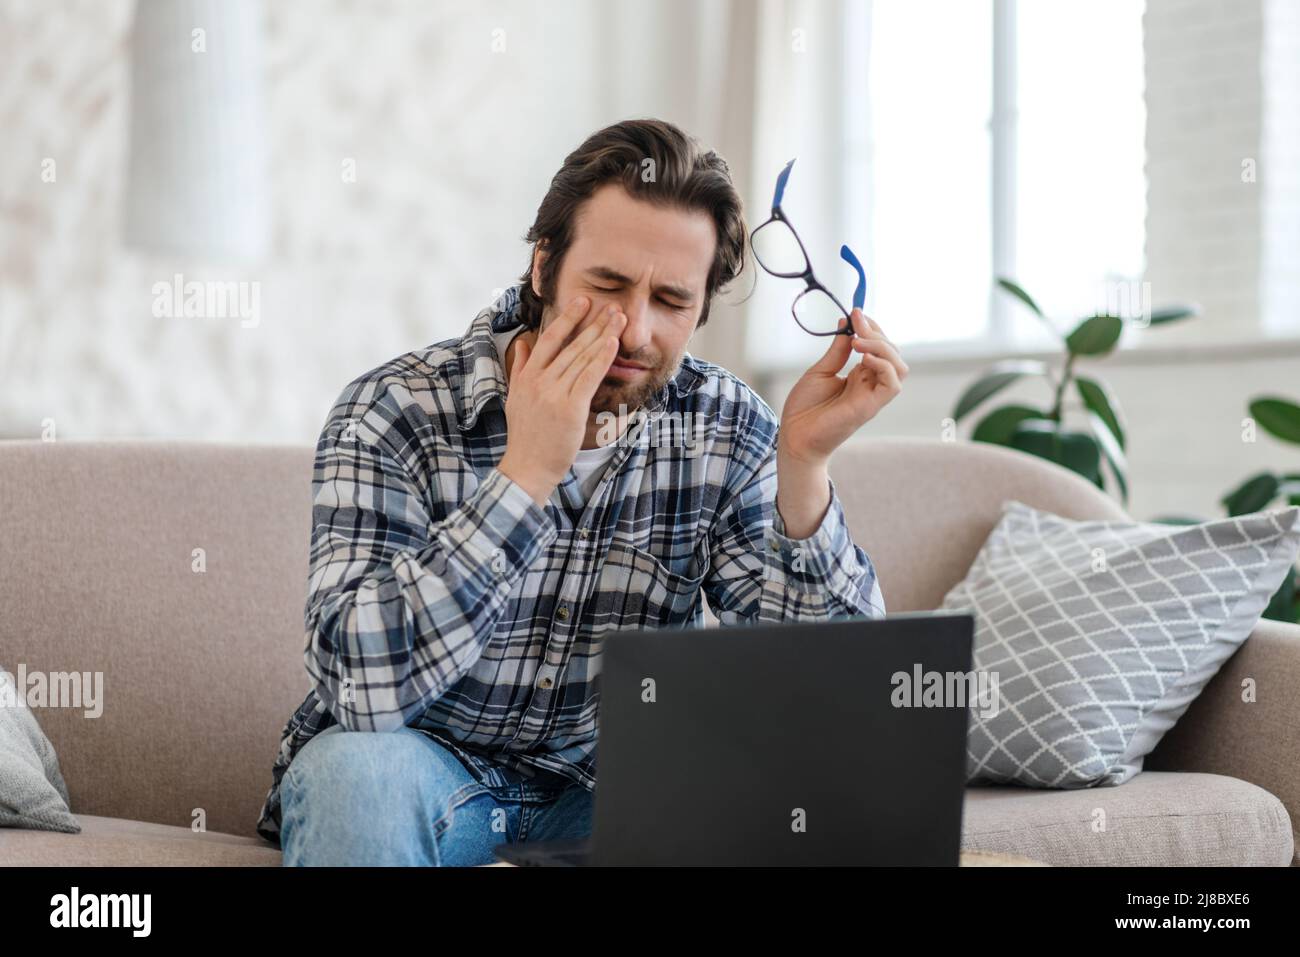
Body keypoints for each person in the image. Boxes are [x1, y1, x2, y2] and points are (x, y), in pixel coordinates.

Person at [257, 117, 908, 865]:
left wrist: (802, 466)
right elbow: (362, 690)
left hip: (620, 783)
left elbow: (840, 701)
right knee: (351, 776)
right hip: (420, 768)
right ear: (543, 268)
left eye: (671, 301)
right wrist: (525, 474)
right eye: (608, 286)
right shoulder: (394, 412)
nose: (634, 331)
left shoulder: (723, 426)